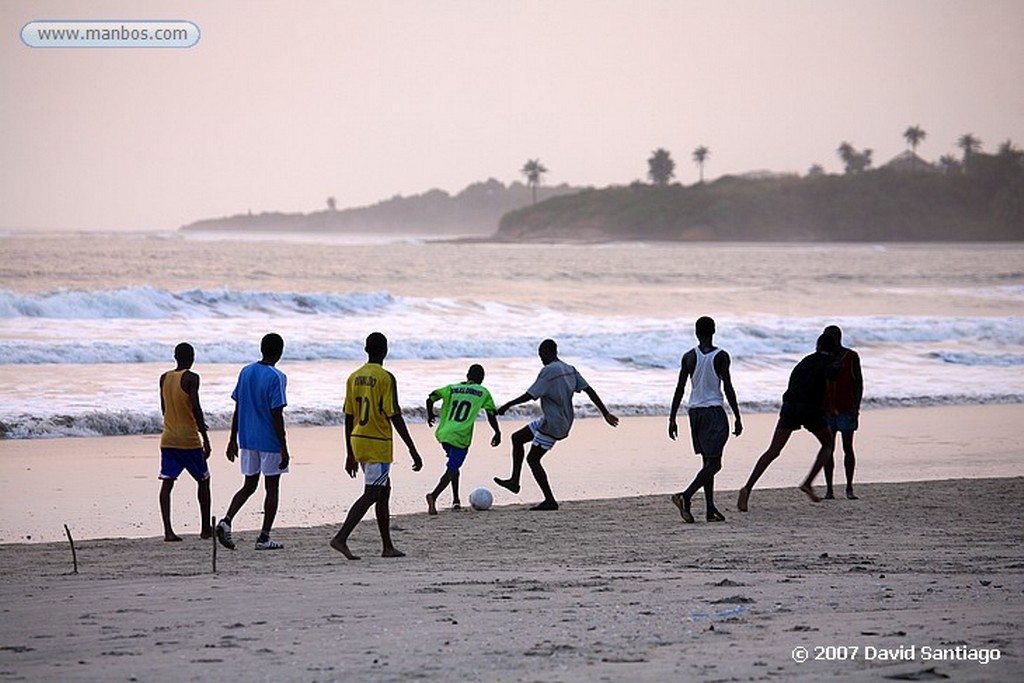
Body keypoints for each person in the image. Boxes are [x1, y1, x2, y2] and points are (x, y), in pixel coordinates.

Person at [493, 339, 619, 510]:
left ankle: (550, 500)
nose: (540, 359)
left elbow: (530, 395)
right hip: (560, 420)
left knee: (533, 459)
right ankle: (514, 481)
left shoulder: (548, 371)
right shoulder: (569, 369)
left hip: (554, 424)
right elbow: (589, 390)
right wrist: (605, 413)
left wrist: (507, 405)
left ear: (546, 352)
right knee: (517, 438)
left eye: (540, 355)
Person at [330, 333, 423, 559]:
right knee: (372, 493)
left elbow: (348, 416)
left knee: (383, 491)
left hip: (357, 440)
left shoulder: (354, 377)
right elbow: (395, 415)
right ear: (386, 351)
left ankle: (387, 546)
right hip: (378, 443)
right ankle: (341, 538)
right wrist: (412, 448)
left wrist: (349, 452)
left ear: (365, 349)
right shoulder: (385, 378)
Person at [737, 333, 838, 512]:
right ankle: (808, 483)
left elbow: (792, 383)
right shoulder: (831, 363)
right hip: (810, 408)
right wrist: (831, 409)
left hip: (790, 405)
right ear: (835, 346)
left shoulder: (804, 361)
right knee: (828, 444)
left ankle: (747, 488)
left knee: (773, 450)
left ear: (817, 345)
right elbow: (830, 390)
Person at [215, 333, 290, 551]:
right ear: (280, 351)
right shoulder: (277, 377)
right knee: (272, 487)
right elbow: (277, 414)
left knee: (249, 485)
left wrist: (232, 439)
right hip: (269, 440)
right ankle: (264, 537)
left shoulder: (246, 371)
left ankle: (226, 520)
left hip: (246, 438)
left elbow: (238, 407)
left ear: (261, 348)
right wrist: (284, 447)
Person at [667, 317, 742, 523]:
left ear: (696, 332)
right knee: (715, 464)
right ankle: (686, 496)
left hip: (695, 413)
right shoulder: (721, 356)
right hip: (713, 412)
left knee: (707, 462)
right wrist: (737, 415)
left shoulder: (689, 356)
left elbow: (680, 388)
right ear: (714, 331)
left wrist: (672, 418)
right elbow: (727, 387)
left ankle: (710, 508)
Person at [425, 364, 501, 515]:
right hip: (461, 437)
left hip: (444, 434)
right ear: (482, 379)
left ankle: (455, 500)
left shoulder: (451, 388)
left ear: (467, 375)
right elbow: (491, 414)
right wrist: (497, 432)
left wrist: (430, 415)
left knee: (454, 465)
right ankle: (433, 496)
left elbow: (430, 397)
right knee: (452, 467)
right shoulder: (482, 392)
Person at [158, 342, 212, 542]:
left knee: (167, 483)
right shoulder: (191, 378)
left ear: (175, 357)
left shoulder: (164, 378)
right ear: (192, 358)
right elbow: (196, 407)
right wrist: (205, 436)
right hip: (188, 440)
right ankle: (205, 528)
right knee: (203, 481)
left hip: (168, 438)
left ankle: (168, 531)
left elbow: (164, 408)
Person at [822, 325, 863, 500]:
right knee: (828, 449)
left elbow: (859, 383)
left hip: (846, 409)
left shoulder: (851, 357)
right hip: (827, 411)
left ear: (838, 338)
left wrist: (856, 408)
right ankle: (829, 489)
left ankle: (849, 488)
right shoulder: (823, 359)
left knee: (847, 447)